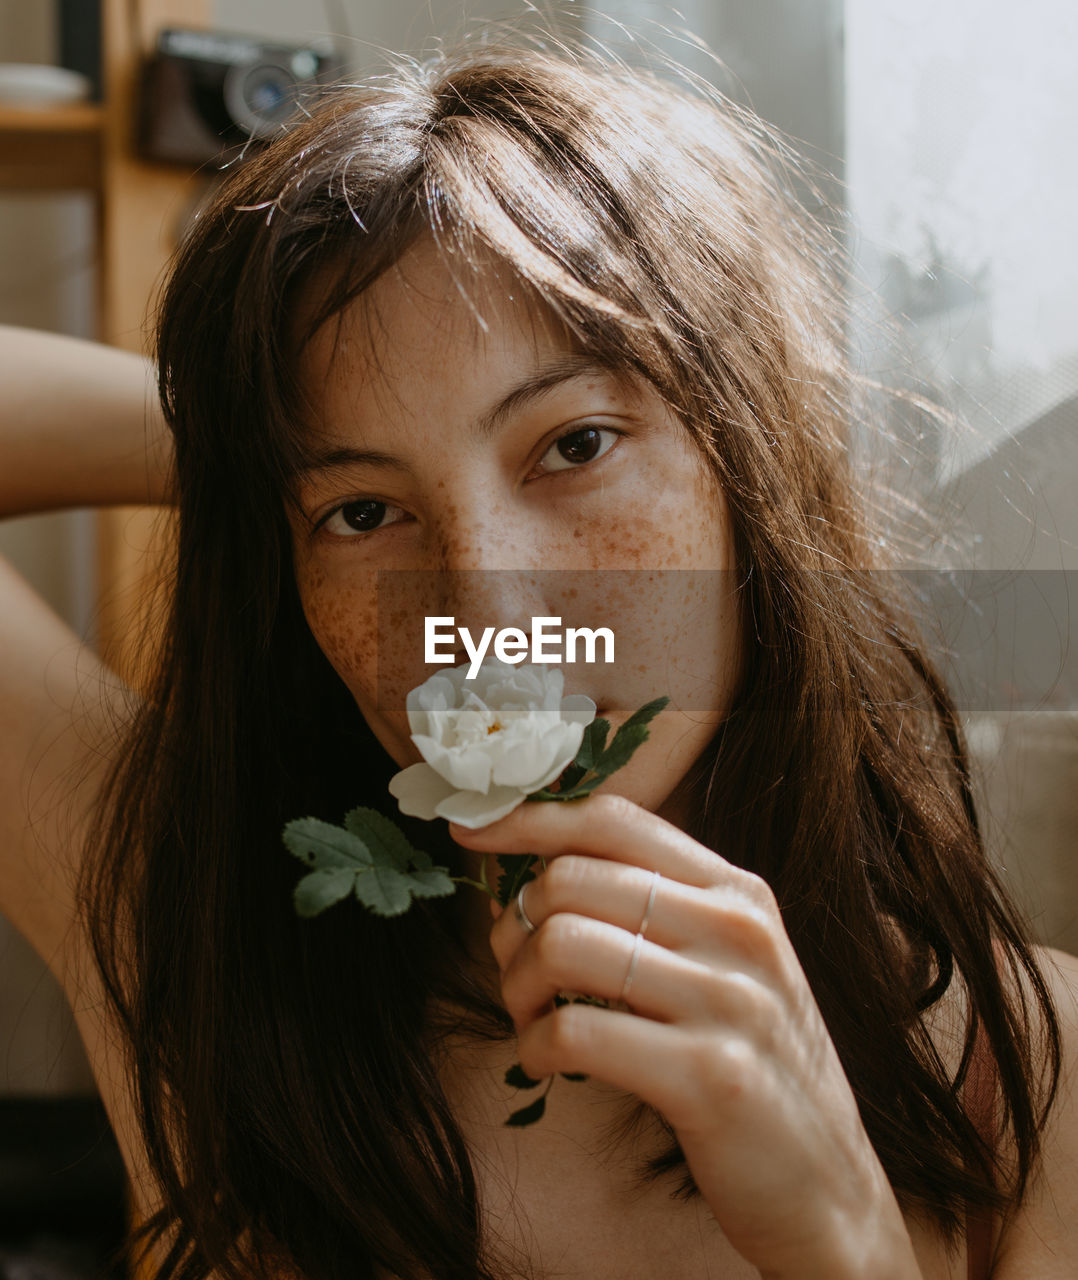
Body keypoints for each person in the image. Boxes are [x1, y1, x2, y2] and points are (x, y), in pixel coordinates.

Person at [1, 37, 1076, 1280]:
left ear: (747, 460)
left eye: (573, 444)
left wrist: (841, 1242)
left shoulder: (1036, 1078)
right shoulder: (192, 954)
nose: (486, 603)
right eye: (361, 517)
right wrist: (261, 453)